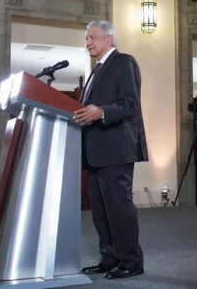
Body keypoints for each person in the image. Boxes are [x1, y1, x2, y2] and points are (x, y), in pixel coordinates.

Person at [74, 20, 148, 280]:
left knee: (118, 207)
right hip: (94, 151)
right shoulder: (95, 71)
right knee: (100, 209)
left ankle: (131, 260)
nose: (88, 42)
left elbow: (130, 105)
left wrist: (101, 112)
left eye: (92, 37)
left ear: (110, 39)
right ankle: (109, 258)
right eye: (86, 38)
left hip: (116, 149)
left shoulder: (124, 62)